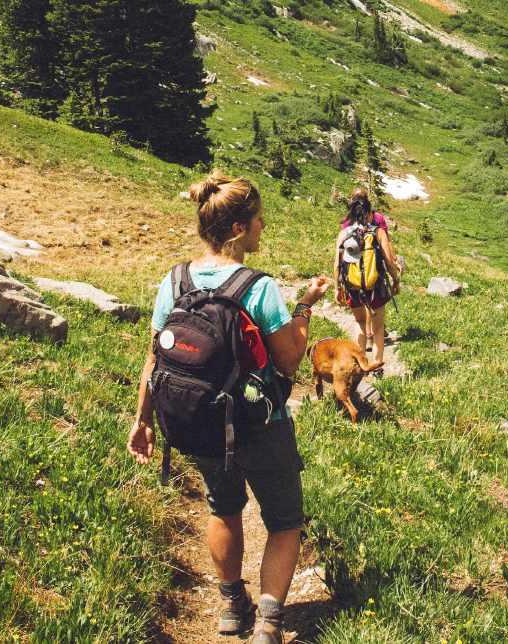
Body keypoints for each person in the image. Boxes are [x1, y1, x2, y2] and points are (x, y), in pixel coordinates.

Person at [127, 172, 329, 644]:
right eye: (258, 221)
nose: (263, 228)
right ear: (239, 228)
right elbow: (289, 357)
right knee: (284, 522)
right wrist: (303, 308)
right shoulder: (256, 287)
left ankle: (231, 606)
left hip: (200, 423)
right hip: (261, 424)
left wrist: (142, 420)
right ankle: (269, 624)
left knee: (223, 508)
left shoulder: (174, 281)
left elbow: (154, 359)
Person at [334, 187, 401, 368]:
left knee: (360, 322)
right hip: (376, 285)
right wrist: (395, 280)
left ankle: (360, 364)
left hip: (353, 286)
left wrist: (337, 288)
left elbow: (337, 264)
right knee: (378, 328)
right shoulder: (377, 231)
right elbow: (388, 261)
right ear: (369, 208)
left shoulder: (344, 232)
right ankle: (377, 363)